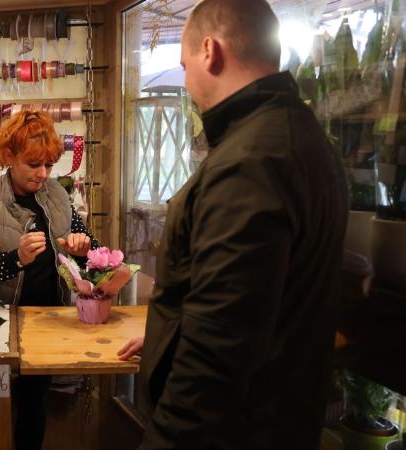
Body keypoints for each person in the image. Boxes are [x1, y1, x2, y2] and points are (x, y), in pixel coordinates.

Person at [116, 1, 348, 449]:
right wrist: (169, 336)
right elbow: (254, 305)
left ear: (210, 51)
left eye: (185, 66)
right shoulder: (293, 134)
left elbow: (217, 355)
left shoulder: (251, 161)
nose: (186, 83)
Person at [0, 110, 99, 450]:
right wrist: (16, 259)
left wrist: (83, 250)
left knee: (33, 404)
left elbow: (95, 254)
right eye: (34, 164)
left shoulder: (57, 195)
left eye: (49, 165)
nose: (43, 174)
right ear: (9, 156)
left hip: (47, 320)